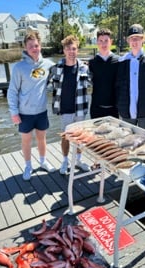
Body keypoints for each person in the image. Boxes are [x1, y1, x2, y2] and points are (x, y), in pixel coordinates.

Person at [7, 31, 55, 181]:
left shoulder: (48, 65)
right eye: (30, 46)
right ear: (25, 48)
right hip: (24, 113)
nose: (34, 49)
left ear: (40, 46)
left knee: (42, 138)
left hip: (41, 111)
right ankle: (28, 165)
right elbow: (12, 91)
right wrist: (14, 112)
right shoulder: (19, 68)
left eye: (36, 45)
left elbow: (64, 68)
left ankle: (43, 161)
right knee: (26, 140)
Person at [48, 35, 91, 175]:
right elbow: (44, 85)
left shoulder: (84, 68)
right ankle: (65, 161)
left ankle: (78, 160)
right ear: (64, 50)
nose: (71, 51)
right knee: (65, 137)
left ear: (77, 50)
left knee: (80, 137)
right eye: (68, 49)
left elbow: (94, 83)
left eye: (74, 49)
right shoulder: (55, 68)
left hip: (80, 109)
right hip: (65, 110)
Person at [116, 23, 145, 130]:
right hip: (126, 113)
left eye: (138, 38)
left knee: (144, 141)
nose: (134, 41)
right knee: (127, 142)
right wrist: (120, 104)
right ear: (128, 41)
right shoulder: (122, 61)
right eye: (132, 38)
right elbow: (117, 85)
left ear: (143, 39)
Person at [88, 28, 119, 119]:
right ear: (97, 42)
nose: (103, 44)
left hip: (114, 109)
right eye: (100, 41)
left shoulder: (119, 61)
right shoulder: (92, 63)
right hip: (96, 109)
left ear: (111, 42)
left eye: (106, 40)